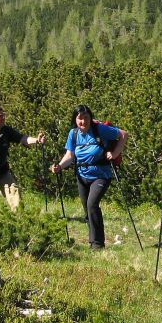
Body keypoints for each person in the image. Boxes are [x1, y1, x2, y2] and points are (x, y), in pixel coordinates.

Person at [51, 105, 126, 249]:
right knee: (87, 209)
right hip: (82, 176)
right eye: (80, 118)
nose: (83, 121)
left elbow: (123, 134)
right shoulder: (73, 134)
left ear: (90, 118)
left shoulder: (100, 130)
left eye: (86, 118)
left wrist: (115, 154)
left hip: (101, 174)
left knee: (92, 204)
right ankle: (93, 240)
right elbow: (70, 155)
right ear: (75, 119)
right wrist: (59, 166)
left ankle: (97, 244)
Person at [0, 104, 45, 213]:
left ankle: (19, 221)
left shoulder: (7, 131)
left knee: (14, 192)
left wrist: (36, 140)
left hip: (2, 170)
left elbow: (23, 138)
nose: (3, 118)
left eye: (3, 115)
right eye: (0, 116)